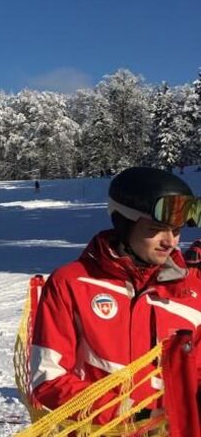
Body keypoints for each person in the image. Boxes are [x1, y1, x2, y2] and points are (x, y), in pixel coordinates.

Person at [30, 167, 201, 425]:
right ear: (124, 222)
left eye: (176, 231)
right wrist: (130, 415)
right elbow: (49, 378)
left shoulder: (192, 290)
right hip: (103, 430)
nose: (170, 242)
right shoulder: (72, 283)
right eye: (156, 229)